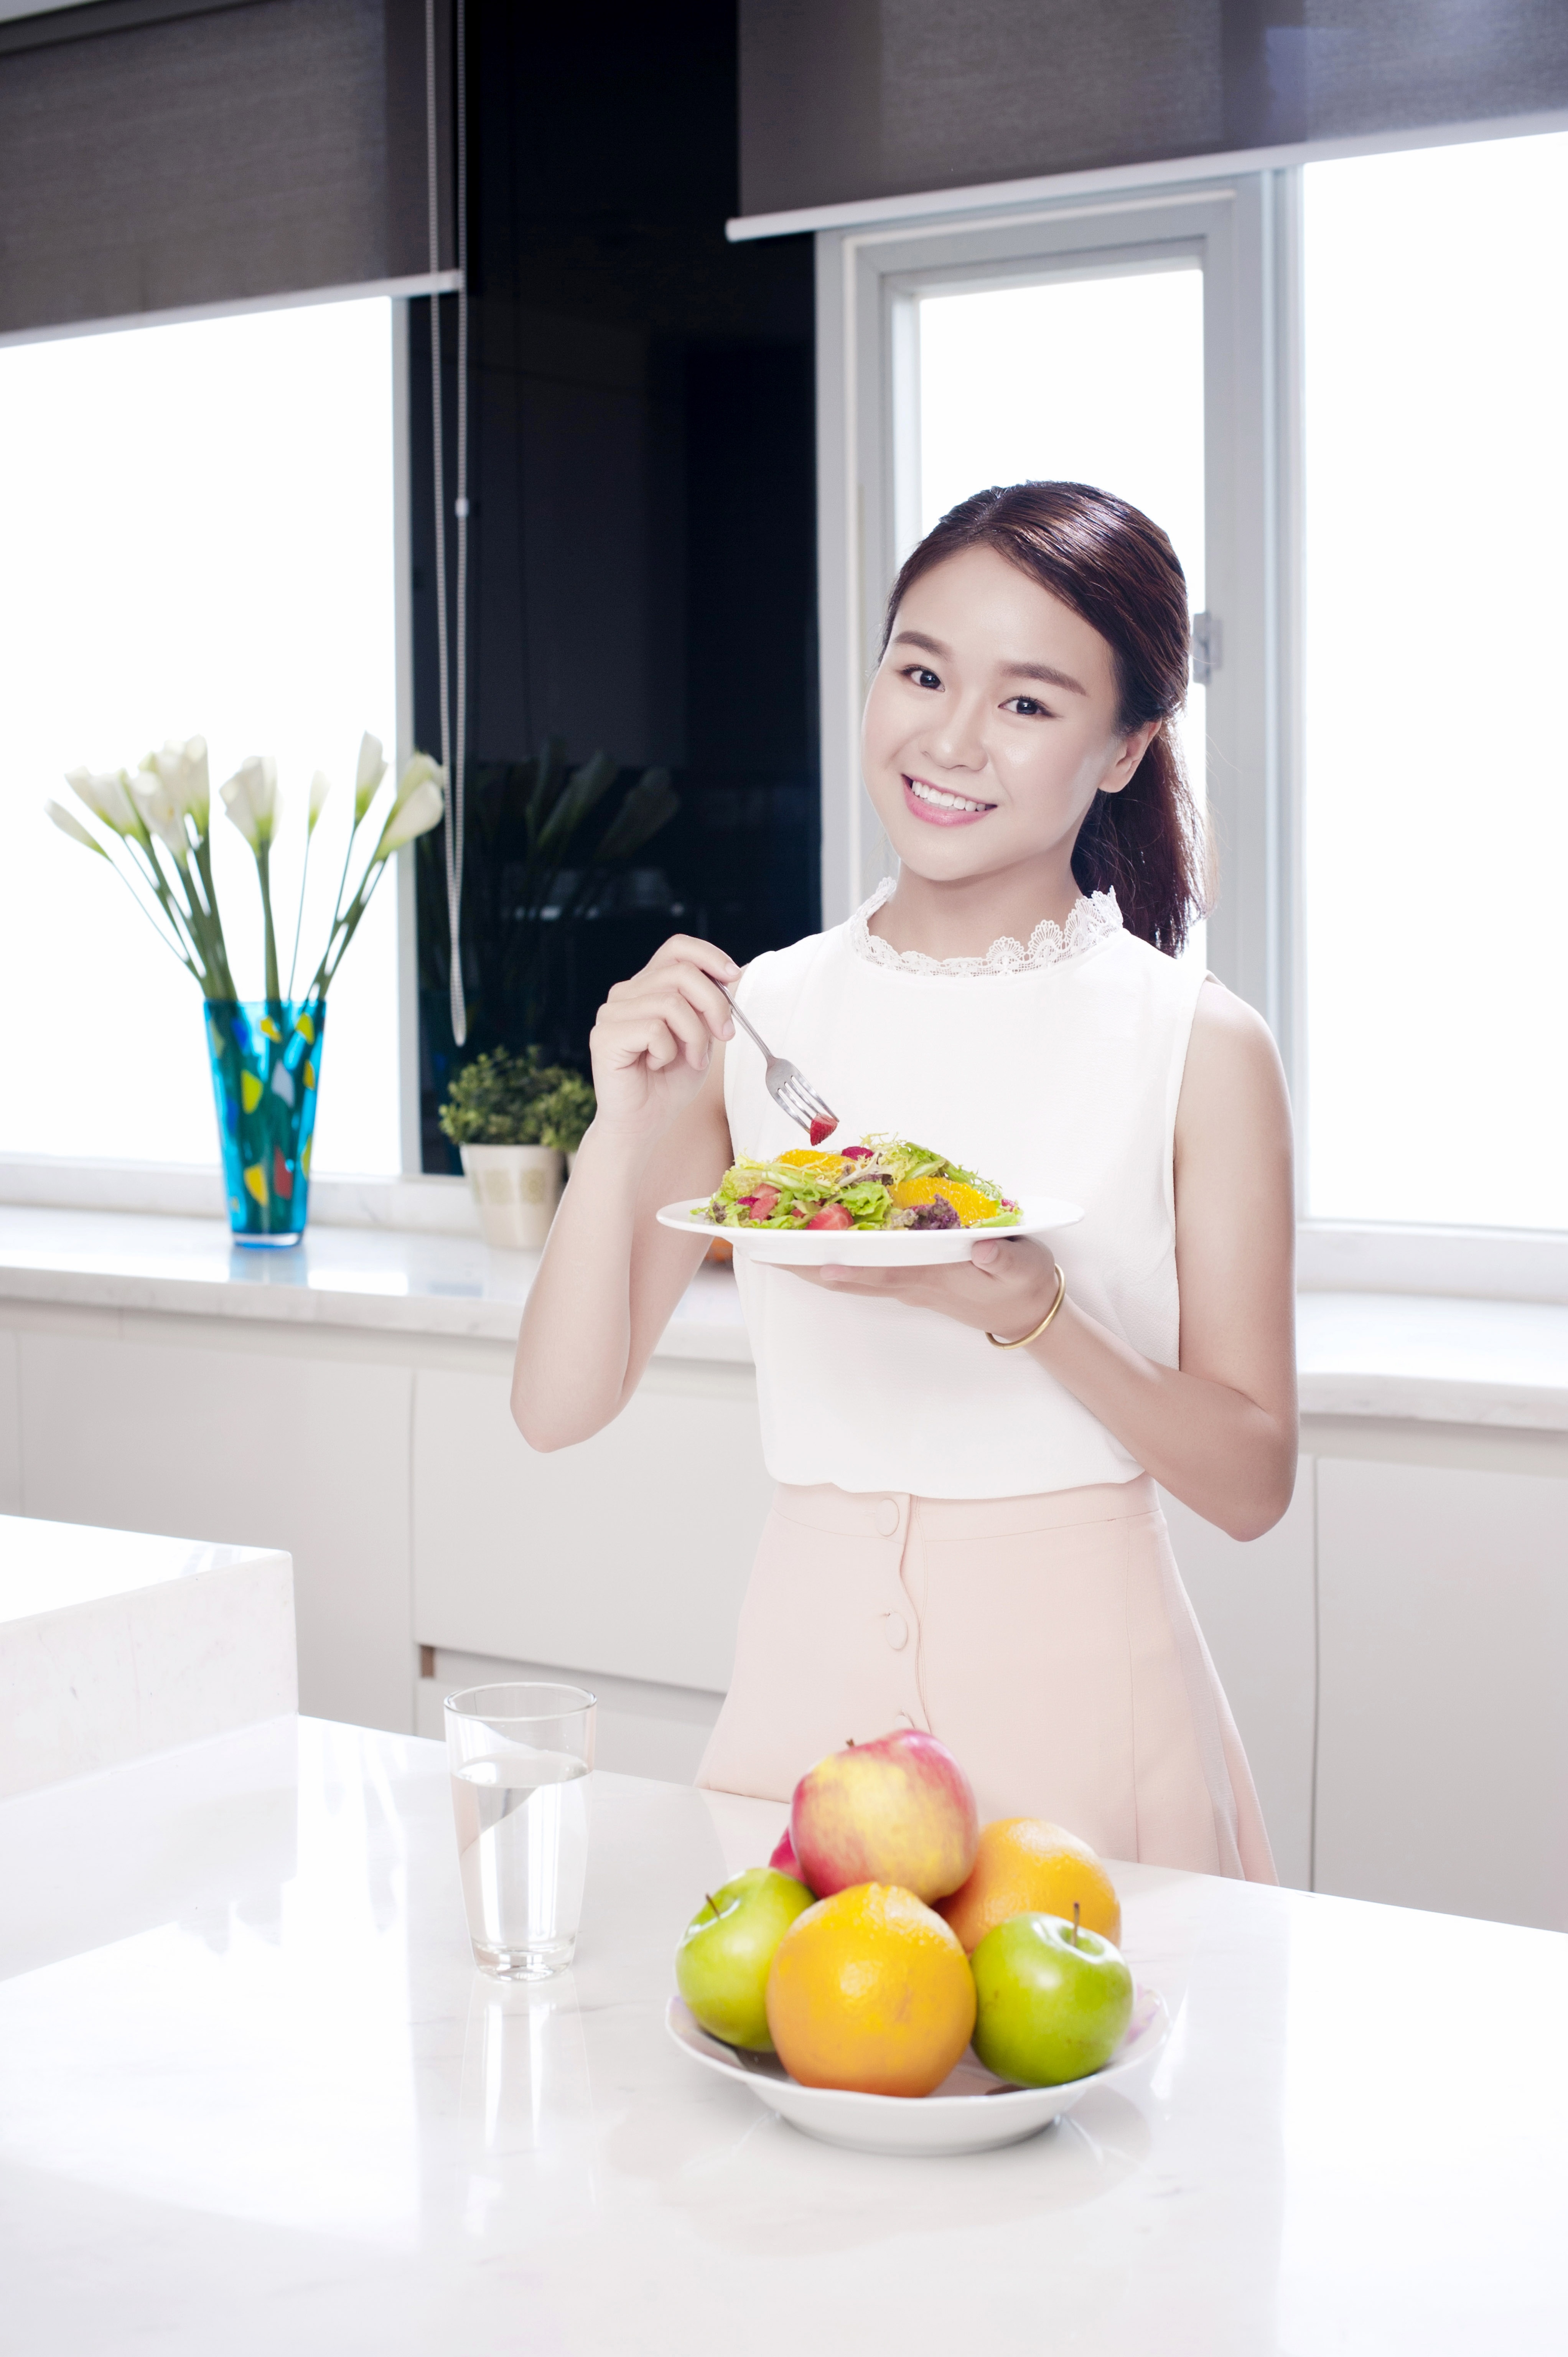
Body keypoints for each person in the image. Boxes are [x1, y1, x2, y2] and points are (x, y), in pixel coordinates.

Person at [513, 481, 1295, 1881]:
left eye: (1028, 702)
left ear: (1127, 748)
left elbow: (1252, 1483)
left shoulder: (1197, 1041)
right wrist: (618, 1126)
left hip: (1087, 1721)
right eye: (923, 673)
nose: (950, 738)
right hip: (805, 1709)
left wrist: (1036, 1313)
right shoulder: (760, 1020)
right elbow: (557, 1409)